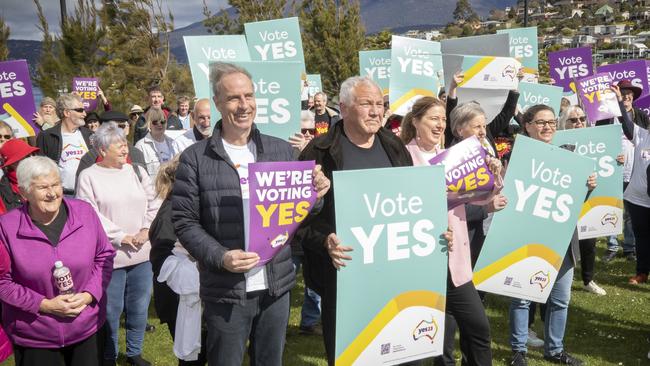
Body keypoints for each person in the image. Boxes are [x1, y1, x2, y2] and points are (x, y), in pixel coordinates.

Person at [172, 62, 330, 366]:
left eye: (249, 96)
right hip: (226, 290)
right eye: (233, 98)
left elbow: (300, 213)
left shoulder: (281, 151)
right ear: (217, 103)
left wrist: (317, 195)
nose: (244, 105)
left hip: (276, 287)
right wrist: (220, 256)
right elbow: (184, 221)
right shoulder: (196, 158)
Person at [296, 75, 419, 365]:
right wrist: (325, 240)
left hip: (394, 273)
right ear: (344, 107)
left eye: (380, 104)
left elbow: (414, 204)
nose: (376, 111)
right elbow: (297, 220)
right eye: (367, 104)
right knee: (350, 355)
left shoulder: (395, 147)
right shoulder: (317, 153)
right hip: (343, 278)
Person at [400, 97, 506, 366]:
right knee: (421, 341)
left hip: (455, 259)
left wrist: (493, 176)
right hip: (420, 260)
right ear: (415, 122)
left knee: (479, 328)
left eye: (443, 119)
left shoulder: (451, 155)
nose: (439, 125)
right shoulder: (403, 157)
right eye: (433, 119)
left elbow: (477, 198)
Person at [0, 156, 115, 366]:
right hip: (35, 336)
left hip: (86, 327)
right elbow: (2, 282)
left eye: (56, 184)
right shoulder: (6, 227)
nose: (52, 193)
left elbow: (104, 256)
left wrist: (89, 295)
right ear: (23, 192)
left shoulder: (85, 213)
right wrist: (43, 305)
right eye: (43, 187)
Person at [509, 104, 596, 366]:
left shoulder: (569, 156)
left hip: (562, 239)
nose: (547, 127)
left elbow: (573, 202)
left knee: (560, 299)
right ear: (527, 126)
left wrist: (588, 188)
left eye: (550, 123)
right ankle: (518, 351)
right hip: (527, 237)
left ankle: (555, 350)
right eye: (540, 122)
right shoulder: (517, 156)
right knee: (523, 297)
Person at [76, 122, 161, 366]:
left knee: (139, 307)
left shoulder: (137, 172)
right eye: (119, 145)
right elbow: (90, 213)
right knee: (111, 311)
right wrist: (121, 237)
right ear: (102, 150)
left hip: (142, 254)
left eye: (125, 143)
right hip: (110, 256)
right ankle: (109, 355)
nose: (126, 149)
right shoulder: (89, 176)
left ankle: (134, 353)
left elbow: (154, 201)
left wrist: (145, 230)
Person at [150, 156, 206, 365]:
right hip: (181, 298)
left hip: (192, 296)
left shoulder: (183, 204)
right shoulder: (172, 210)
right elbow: (161, 254)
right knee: (192, 358)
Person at [557, 105, 607, 296]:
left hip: (589, 199)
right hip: (564, 201)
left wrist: (615, 159)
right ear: (564, 123)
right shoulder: (558, 142)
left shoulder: (595, 140)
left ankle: (588, 279)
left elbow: (606, 161)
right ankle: (561, 279)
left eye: (582, 118)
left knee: (589, 242)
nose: (579, 123)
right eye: (573, 120)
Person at [603, 80, 648, 263]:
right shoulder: (604, 116)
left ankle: (629, 247)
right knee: (611, 208)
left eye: (629, 93)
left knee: (631, 212)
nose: (627, 95)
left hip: (634, 172)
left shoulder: (642, 116)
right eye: (623, 92)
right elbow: (599, 142)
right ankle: (612, 245)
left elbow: (644, 141)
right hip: (611, 170)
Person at [445, 71, 520, 152]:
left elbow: (506, 115)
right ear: (460, 130)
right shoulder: (453, 145)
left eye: (483, 126)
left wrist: (514, 85)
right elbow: (450, 116)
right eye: (477, 127)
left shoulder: (488, 132)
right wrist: (453, 88)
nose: (483, 132)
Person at [36, 94, 92, 196]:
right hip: (62, 196)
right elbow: (41, 170)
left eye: (84, 110)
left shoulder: (89, 135)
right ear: (67, 112)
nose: (84, 114)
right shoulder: (46, 136)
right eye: (80, 110)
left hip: (89, 194)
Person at [76, 111, 147, 182]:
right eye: (112, 128)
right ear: (101, 129)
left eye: (121, 126)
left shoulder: (137, 154)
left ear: (127, 129)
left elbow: (146, 188)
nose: (117, 131)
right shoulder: (90, 157)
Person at [0, 139, 38, 214]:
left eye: (31, 154)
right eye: (26, 157)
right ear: (12, 164)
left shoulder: (43, 178)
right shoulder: (3, 189)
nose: (31, 159)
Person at [135, 108, 175, 177]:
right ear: (149, 124)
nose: (159, 125)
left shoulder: (173, 143)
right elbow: (138, 176)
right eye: (155, 122)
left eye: (162, 121)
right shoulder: (140, 146)